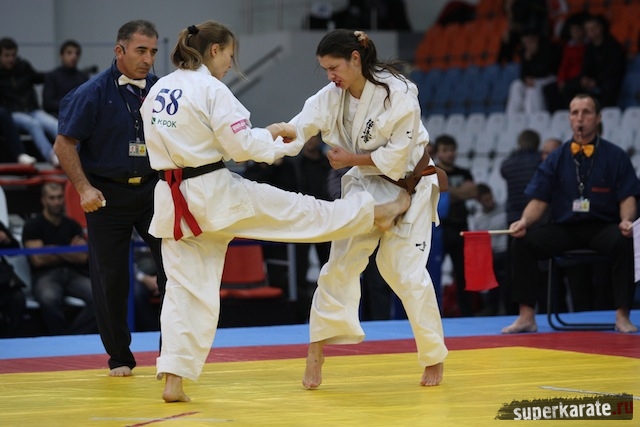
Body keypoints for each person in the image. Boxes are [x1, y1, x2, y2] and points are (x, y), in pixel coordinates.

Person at [140, 21, 410, 403]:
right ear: (215, 50)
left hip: (173, 201)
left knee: (184, 292)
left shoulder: (158, 89)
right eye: (229, 55)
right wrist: (276, 141)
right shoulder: (211, 89)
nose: (228, 64)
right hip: (215, 194)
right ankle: (374, 212)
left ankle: (174, 378)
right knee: (303, 213)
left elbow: (200, 140)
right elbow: (240, 148)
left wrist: (264, 135)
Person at [289, 29, 447, 390]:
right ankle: (316, 349)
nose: (330, 76)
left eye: (334, 67)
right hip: (366, 186)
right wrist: (270, 141)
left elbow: (397, 157)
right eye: (325, 69)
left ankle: (433, 355)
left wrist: (350, 159)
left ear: (355, 59)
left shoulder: (399, 92)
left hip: (411, 183)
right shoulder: (332, 96)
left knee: (404, 273)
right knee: (339, 265)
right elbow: (299, 127)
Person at [52, 20, 167, 376]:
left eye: (153, 52)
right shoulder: (91, 92)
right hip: (106, 193)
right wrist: (84, 188)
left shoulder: (162, 90)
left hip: (152, 188)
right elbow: (64, 144)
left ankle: (172, 354)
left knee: (175, 270)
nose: (148, 59)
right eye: (140, 51)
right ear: (119, 50)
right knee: (110, 278)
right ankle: (119, 357)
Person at [502, 94, 640, 334]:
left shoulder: (615, 155)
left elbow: (627, 197)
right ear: (569, 118)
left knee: (625, 240)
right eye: (575, 113)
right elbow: (539, 199)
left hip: (602, 227)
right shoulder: (556, 157)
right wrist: (524, 221)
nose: (580, 118)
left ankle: (622, 315)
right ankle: (526, 316)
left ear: (598, 118)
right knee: (522, 242)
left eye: (586, 112)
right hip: (564, 228)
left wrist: (626, 220)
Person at [21, 182, 97, 336]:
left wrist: (51, 250)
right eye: (52, 198)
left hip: (73, 273)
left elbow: (83, 257)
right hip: (45, 275)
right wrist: (68, 250)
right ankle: (60, 336)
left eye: (59, 197)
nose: (57, 202)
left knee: (100, 297)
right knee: (48, 299)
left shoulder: (72, 225)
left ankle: (71, 336)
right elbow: (38, 260)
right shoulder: (32, 225)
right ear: (43, 200)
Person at [435, 134, 476, 316]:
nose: (449, 154)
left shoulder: (464, 172)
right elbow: (437, 196)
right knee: (434, 272)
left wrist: (447, 192)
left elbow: (473, 192)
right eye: (445, 150)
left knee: (463, 273)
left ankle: (466, 313)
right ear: (438, 153)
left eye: (452, 150)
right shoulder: (433, 172)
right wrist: (459, 192)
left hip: (461, 228)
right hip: (440, 228)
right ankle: (436, 312)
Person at [0, 37, 59, 164]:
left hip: (32, 109)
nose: (11, 59)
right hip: (13, 113)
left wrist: (57, 75)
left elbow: (38, 77)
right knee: (33, 125)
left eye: (13, 55)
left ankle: (76, 153)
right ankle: (51, 156)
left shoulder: (23, 66)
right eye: (7, 55)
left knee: (55, 124)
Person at [561, 15, 626, 108]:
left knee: (609, 86)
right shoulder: (589, 47)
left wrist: (596, 81)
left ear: (601, 27)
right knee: (568, 87)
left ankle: (605, 112)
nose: (592, 32)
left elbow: (614, 69)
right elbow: (586, 66)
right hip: (593, 79)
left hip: (608, 79)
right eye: (588, 30)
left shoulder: (613, 45)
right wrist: (584, 77)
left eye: (594, 28)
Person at [470, 183, 508, 315]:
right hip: (490, 254)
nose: (490, 202)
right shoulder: (478, 218)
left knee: (507, 283)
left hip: (505, 252)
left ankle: (508, 309)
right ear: (479, 201)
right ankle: (492, 308)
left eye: (490, 198)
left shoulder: (504, 209)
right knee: (492, 284)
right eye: (486, 200)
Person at [505, 30, 561, 114]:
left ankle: (534, 116)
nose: (528, 45)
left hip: (548, 79)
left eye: (530, 42)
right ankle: (513, 116)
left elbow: (545, 71)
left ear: (535, 40)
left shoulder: (547, 49)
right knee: (516, 85)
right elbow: (523, 74)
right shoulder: (525, 53)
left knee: (532, 91)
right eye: (526, 43)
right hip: (534, 80)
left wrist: (533, 59)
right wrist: (528, 62)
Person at [500, 129, 542, 225]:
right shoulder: (541, 161)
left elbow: (503, 171)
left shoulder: (508, 163)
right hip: (536, 213)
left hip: (514, 214)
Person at [43, 40, 89, 118]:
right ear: (61, 55)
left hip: (80, 117)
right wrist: (71, 105)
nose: (74, 56)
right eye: (69, 53)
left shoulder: (83, 77)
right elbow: (48, 103)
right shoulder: (52, 76)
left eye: (77, 53)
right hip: (57, 116)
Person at [0, 220, 26, 337]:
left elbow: (14, 250)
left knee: (17, 298)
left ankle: (11, 338)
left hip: (3, 280)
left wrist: (6, 239)